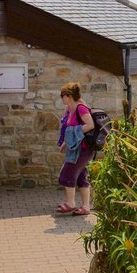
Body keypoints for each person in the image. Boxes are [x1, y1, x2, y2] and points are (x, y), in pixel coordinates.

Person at [55, 82, 95, 216]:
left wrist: (73, 131)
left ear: (69, 96)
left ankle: (71, 203)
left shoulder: (81, 108)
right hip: (76, 148)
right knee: (81, 176)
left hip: (84, 149)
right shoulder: (71, 109)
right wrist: (65, 143)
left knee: (67, 172)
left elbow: (90, 125)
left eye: (63, 95)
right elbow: (66, 128)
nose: (62, 98)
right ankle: (85, 207)